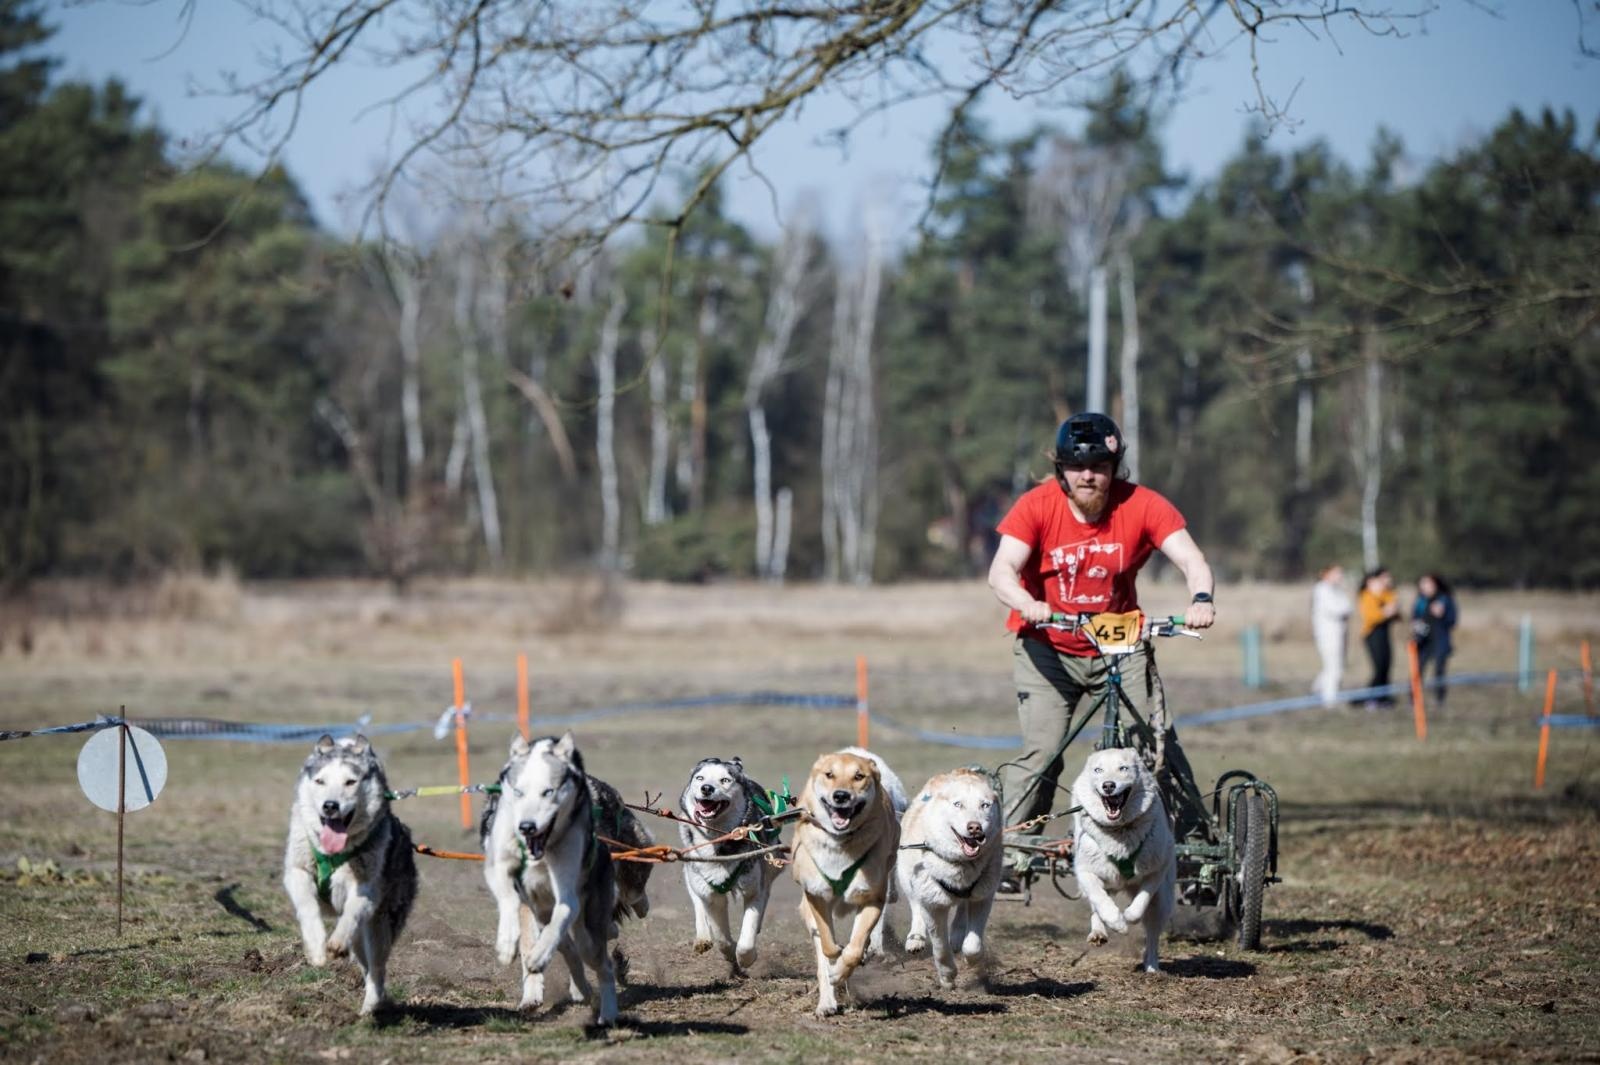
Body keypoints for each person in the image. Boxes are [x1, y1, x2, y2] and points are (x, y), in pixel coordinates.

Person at [987, 412, 1217, 848]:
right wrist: (1027, 603)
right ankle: (1013, 846)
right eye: (1077, 467)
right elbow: (1001, 571)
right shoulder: (1036, 506)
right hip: (1048, 648)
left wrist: (1201, 599)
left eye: (1099, 467)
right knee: (1044, 751)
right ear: (1061, 470)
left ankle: (1192, 845)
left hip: (1122, 644)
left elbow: (1191, 559)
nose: (1088, 476)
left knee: (1152, 745)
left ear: (1114, 468)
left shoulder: (1142, 504)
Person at [1410, 573, 1458, 703]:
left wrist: (1442, 615)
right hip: (1423, 640)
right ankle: (1414, 698)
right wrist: (1415, 626)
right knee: (1417, 669)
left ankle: (1440, 698)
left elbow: (1453, 620)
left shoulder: (1445, 599)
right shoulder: (1420, 601)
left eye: (1428, 583)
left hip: (1440, 639)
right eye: (1423, 583)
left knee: (1439, 670)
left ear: (1436, 584)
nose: (1425, 586)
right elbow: (1414, 618)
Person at [1357, 567, 1399, 709]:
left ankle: (1383, 697)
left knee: (1387, 665)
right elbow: (1371, 617)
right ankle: (1371, 698)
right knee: (1379, 666)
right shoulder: (1367, 595)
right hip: (1372, 634)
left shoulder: (1386, 594)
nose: (1386, 580)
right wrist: (1385, 612)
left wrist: (1391, 609)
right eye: (1383, 578)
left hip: (1384, 633)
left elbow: (1395, 609)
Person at [1311, 564, 1352, 707]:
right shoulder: (1321, 589)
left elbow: (1348, 607)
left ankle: (1317, 689)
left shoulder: (1337, 590)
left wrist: (1344, 609)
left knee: (1335, 665)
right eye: (1337, 573)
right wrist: (1343, 610)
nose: (1340, 576)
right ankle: (1329, 699)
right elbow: (1335, 609)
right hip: (1327, 634)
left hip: (1340, 632)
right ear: (1327, 574)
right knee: (1333, 666)